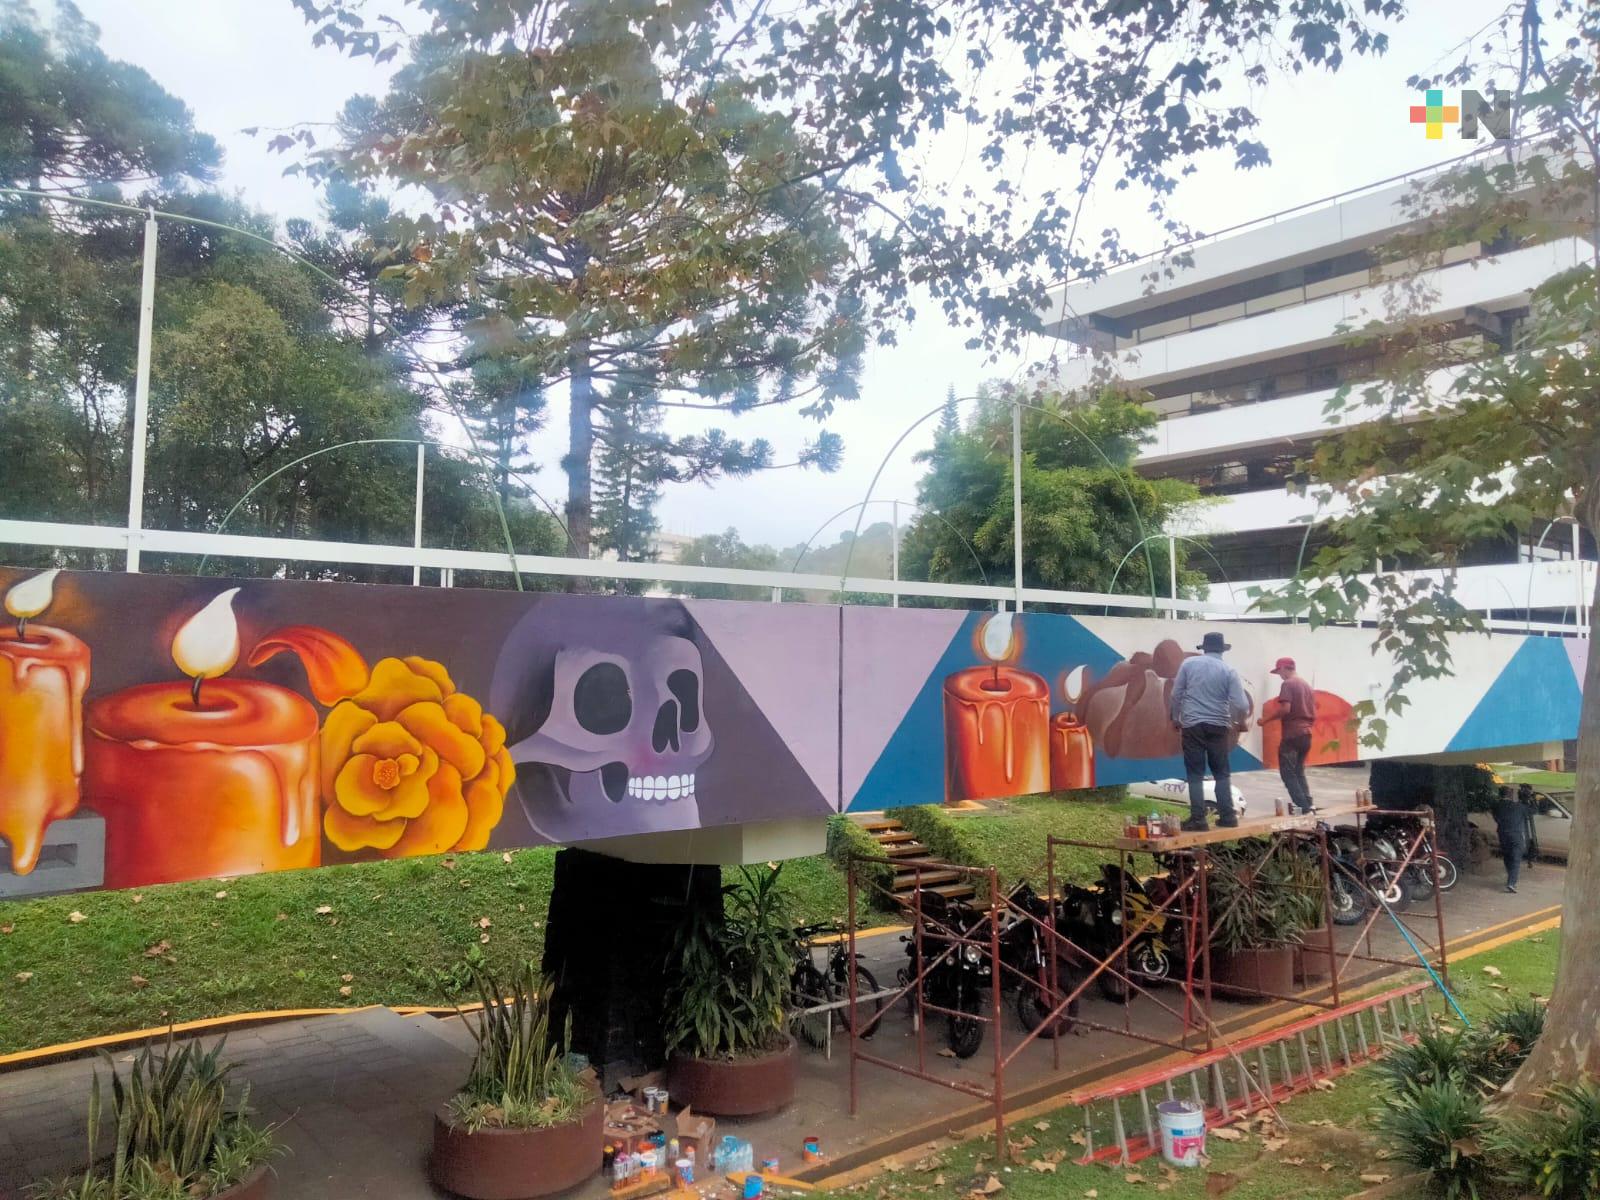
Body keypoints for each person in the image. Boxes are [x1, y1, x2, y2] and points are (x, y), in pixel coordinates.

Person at [1169, 632, 1251, 832]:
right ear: (1222, 650)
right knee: (1221, 772)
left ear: (1204, 648)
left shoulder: (1189, 665)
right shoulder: (1229, 671)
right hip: (1219, 726)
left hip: (1193, 726)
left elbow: (1176, 694)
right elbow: (1241, 704)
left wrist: (1176, 717)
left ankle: (1198, 819)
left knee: (1195, 774)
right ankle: (1228, 816)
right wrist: (1238, 720)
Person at [1258, 656, 1317, 814]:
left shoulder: (1288, 684)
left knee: (1287, 773)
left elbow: (1285, 709)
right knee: (1298, 771)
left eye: (1279, 671)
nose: (1280, 675)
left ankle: (1303, 807)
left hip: (1292, 735)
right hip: (1306, 734)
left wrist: (1265, 720)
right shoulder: (1306, 685)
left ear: (1284, 668)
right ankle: (1309, 804)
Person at [1491, 784, 1528, 893]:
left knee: (1507, 856)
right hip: (1516, 834)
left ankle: (1511, 877)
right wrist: (1527, 798)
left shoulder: (1496, 805)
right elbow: (1533, 811)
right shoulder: (1518, 806)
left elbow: (1496, 818)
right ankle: (1511, 882)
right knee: (1516, 857)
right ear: (1510, 795)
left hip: (1503, 833)